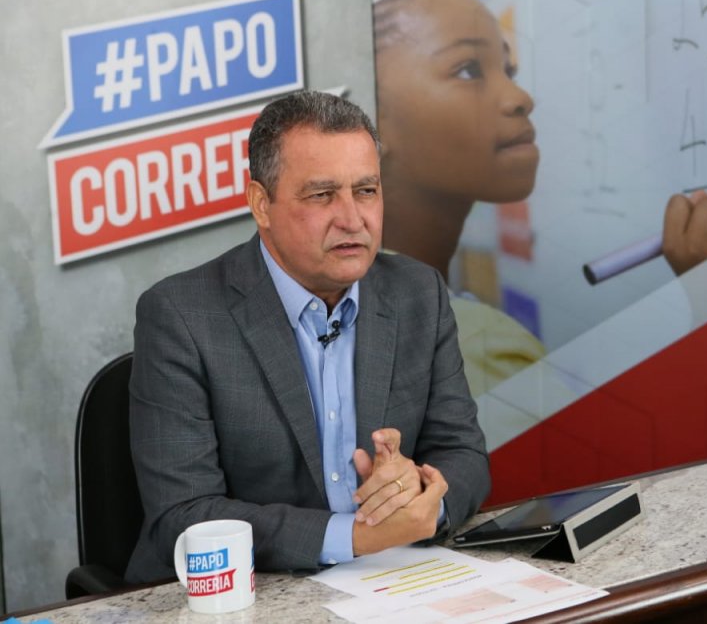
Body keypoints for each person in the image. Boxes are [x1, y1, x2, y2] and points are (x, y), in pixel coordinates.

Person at [125, 91, 490, 583]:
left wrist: (422, 497)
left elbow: (464, 455)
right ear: (261, 204)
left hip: (394, 581)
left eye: (366, 190)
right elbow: (184, 515)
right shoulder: (181, 316)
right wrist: (353, 536)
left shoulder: (417, 293)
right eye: (322, 195)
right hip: (245, 595)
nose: (353, 219)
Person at [372, 0, 707, 392]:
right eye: (469, 70)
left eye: (509, 69)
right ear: (369, 118)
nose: (520, 98)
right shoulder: (465, 349)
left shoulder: (384, 313)